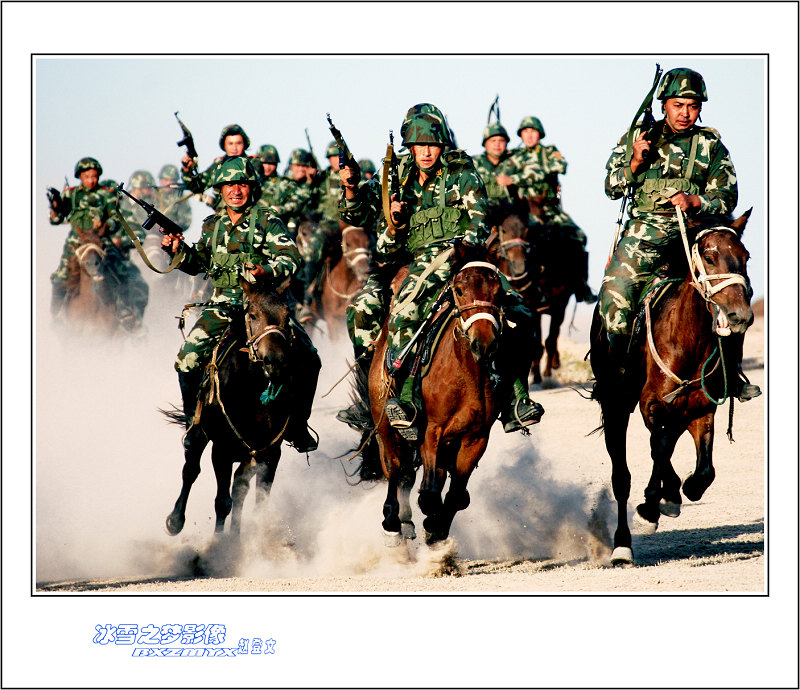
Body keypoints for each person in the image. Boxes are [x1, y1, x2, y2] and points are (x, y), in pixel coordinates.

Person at [337, 104, 544, 441]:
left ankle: (516, 397)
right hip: (404, 261)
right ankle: (378, 399)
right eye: (420, 145)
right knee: (365, 312)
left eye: (432, 144)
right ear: (410, 146)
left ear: (442, 144)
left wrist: (454, 252)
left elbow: (478, 223)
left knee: (519, 313)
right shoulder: (395, 174)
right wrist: (350, 187)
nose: (427, 151)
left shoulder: (461, 172)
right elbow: (359, 211)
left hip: (460, 259)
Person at [601, 66, 760, 401]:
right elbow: (611, 188)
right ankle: (617, 372)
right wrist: (633, 164)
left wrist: (696, 200)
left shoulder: (711, 144)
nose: (685, 113)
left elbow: (726, 196)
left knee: (734, 287)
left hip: (699, 235)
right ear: (664, 106)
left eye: (692, 106)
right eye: (678, 105)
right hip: (645, 237)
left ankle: (731, 372)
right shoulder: (638, 138)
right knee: (615, 293)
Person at [160, 156, 321, 452]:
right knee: (187, 359)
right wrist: (177, 251)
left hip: (263, 309)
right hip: (221, 307)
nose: (236, 190)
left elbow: (291, 257)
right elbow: (199, 265)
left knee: (310, 356)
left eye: (242, 184)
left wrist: (267, 271)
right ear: (221, 189)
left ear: (251, 188)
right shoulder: (212, 225)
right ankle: (193, 424)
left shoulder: (266, 220)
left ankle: (298, 425)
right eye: (230, 185)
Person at [499, 116, 597, 303]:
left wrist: (520, 177)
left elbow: (561, 166)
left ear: (539, 134)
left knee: (578, 236)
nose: (529, 135)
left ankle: (580, 285)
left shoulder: (549, 152)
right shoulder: (513, 157)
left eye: (532, 131)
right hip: (523, 212)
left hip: (549, 210)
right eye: (525, 131)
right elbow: (502, 176)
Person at [49, 157, 149, 332]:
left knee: (121, 272)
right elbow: (57, 219)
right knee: (60, 277)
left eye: (94, 176)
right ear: (80, 176)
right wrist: (56, 208)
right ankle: (56, 316)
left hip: (102, 243)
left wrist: (105, 224)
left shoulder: (106, 193)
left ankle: (125, 311)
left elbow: (116, 216)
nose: (91, 180)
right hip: (76, 244)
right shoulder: (71, 194)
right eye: (87, 176)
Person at [181, 124, 264, 210]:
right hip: (224, 217)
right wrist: (187, 170)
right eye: (230, 144)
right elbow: (198, 186)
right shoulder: (218, 165)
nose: (234, 148)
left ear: (244, 144)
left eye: (238, 143)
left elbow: (255, 186)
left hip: (250, 216)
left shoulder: (253, 163)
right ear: (224, 145)